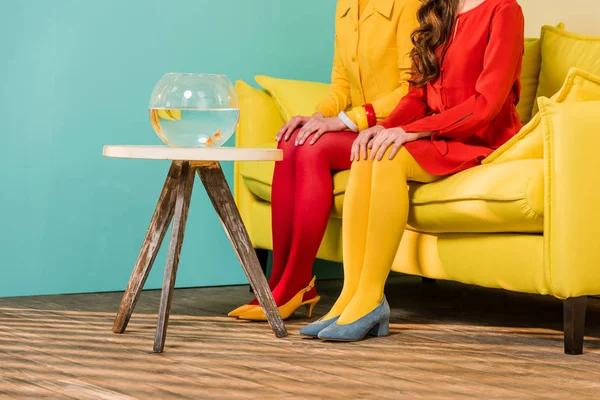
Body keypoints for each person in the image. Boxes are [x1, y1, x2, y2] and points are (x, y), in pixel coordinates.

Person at [301, 0, 525, 340]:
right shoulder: (440, 8)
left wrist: (411, 131)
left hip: (480, 137)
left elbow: (486, 104)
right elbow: (418, 93)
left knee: (389, 157)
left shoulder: (504, 10)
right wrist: (386, 126)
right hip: (435, 132)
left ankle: (371, 298)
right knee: (368, 150)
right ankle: (350, 295)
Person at [229, 0, 423, 320]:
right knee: (292, 139)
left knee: (312, 148)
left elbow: (412, 89)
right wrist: (318, 116)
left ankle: (297, 282)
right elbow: (341, 85)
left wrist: (348, 120)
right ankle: (277, 282)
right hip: (359, 126)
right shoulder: (346, 5)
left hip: (395, 126)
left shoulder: (409, 5)